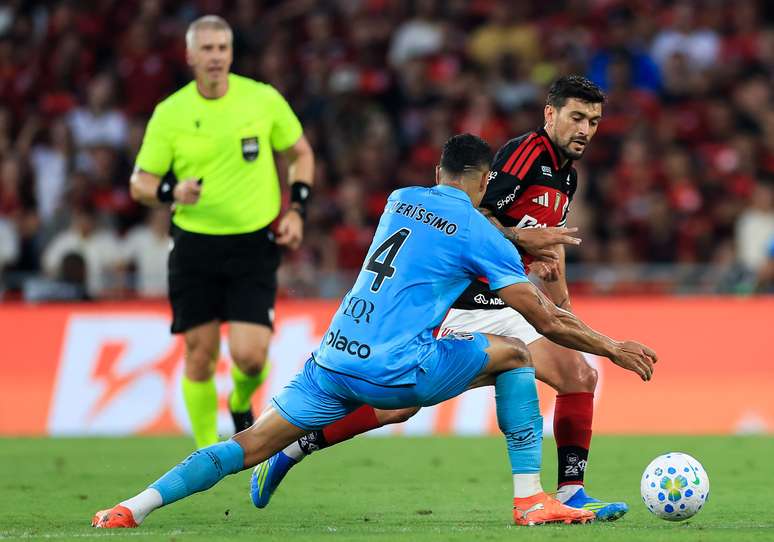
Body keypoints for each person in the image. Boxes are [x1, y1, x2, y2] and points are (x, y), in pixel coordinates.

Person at [92, 134, 657, 529]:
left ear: (438, 174)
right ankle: (531, 499)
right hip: (396, 365)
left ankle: (132, 507)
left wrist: (510, 239)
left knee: (242, 446)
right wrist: (613, 346)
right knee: (513, 354)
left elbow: (436, 242)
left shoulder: (400, 200)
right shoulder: (483, 236)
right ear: (485, 182)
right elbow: (546, 318)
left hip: (333, 359)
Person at [253, 76, 627, 520]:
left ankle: (570, 494)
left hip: (512, 304)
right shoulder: (525, 157)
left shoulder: (567, 174)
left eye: (594, 121)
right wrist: (521, 240)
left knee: (579, 375)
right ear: (551, 114)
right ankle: (296, 444)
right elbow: (471, 216)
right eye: (577, 117)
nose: (585, 129)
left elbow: (549, 244)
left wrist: (560, 303)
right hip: (468, 303)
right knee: (401, 406)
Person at [128, 15, 314, 448]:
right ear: (190, 56)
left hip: (253, 244)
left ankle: (241, 399)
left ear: (231, 54)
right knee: (200, 355)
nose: (215, 57)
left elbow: (300, 155)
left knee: (250, 357)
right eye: (206, 49)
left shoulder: (262, 100)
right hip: (195, 245)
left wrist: (298, 210)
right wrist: (173, 189)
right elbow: (140, 183)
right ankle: (208, 450)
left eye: (221, 48)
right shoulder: (171, 113)